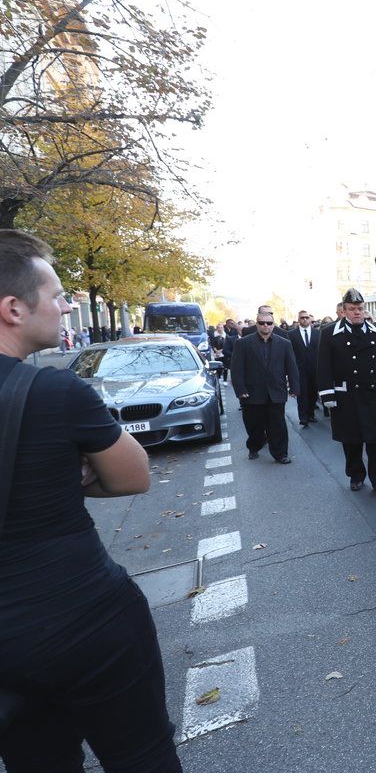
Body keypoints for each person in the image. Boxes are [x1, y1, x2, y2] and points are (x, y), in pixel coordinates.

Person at [0, 229, 181, 772]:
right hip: (84, 621)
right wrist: (68, 474)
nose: (66, 305)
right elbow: (132, 477)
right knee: (141, 756)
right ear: (13, 308)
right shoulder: (54, 392)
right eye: (56, 295)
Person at [317, 288, 376, 493]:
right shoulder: (329, 333)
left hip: (373, 395)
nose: (357, 312)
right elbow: (323, 367)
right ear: (343, 311)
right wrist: (327, 394)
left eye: (360, 308)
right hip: (346, 395)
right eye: (352, 309)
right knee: (351, 440)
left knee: (375, 440)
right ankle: (356, 475)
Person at [229, 307, 299, 464]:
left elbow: (292, 367)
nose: (265, 326)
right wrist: (240, 390)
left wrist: (295, 388)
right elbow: (236, 369)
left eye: (269, 323)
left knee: (278, 425)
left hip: (276, 392)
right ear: (257, 324)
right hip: (252, 393)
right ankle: (254, 446)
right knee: (255, 426)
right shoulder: (243, 344)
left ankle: (280, 453)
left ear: (273, 324)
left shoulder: (284, 344)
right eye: (262, 323)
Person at [288, 310, 320, 427]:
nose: (305, 319)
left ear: (310, 319)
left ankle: (311, 414)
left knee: (312, 393)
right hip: (299, 370)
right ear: (298, 319)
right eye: (302, 318)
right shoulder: (291, 334)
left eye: (306, 317)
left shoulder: (318, 333)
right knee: (301, 395)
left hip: (314, 369)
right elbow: (289, 353)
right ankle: (303, 417)